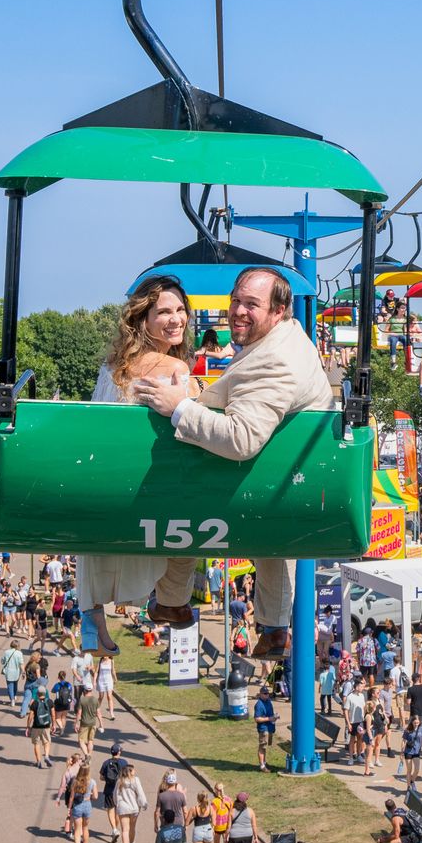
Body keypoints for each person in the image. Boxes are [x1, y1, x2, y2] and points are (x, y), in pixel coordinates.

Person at [133, 267, 333, 661]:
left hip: (267, 478)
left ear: (278, 311)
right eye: (236, 300)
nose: (238, 311)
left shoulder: (274, 361)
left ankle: (172, 599)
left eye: (251, 305)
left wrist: (181, 408)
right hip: (288, 480)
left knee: (183, 502)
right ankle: (275, 627)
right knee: (268, 536)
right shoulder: (288, 339)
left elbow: (242, 438)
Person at [70, 277, 201, 656]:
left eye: (180, 310)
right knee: (191, 530)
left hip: (111, 480)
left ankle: (93, 622)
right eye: (164, 312)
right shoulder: (174, 367)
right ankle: (170, 600)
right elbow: (191, 424)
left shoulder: (113, 367)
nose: (176, 319)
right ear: (142, 320)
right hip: (152, 484)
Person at [113, 761, 147, 843]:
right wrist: (144, 803)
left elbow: (115, 794)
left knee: (125, 830)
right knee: (132, 828)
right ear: (130, 771)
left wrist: (117, 804)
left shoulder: (119, 781)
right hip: (134, 808)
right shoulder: (135, 780)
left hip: (123, 807)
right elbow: (140, 793)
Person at [65, 764, 94, 843]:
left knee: (77, 830)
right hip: (87, 805)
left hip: (77, 806)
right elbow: (96, 797)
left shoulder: (75, 782)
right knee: (85, 828)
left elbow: (71, 797)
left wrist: (69, 808)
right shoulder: (92, 782)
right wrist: (90, 795)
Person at [253, 686, 278, 772]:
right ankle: (262, 766)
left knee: (265, 747)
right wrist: (269, 719)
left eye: (268, 693)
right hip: (264, 729)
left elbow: (270, 714)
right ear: (260, 694)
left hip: (270, 727)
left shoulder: (268, 702)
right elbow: (257, 719)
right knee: (262, 747)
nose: (267, 695)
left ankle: (264, 762)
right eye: (265, 693)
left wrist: (274, 717)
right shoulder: (259, 705)